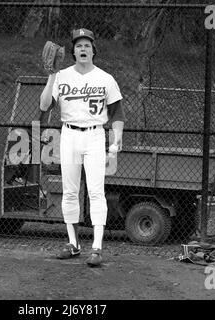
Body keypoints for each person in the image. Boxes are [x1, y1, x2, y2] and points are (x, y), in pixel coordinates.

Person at [39, 28, 126, 267]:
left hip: (95, 136)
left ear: (93, 50)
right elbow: (45, 105)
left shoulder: (105, 78)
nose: (83, 49)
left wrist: (116, 137)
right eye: (78, 45)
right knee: (69, 191)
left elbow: (117, 113)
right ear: (73, 51)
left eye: (87, 45)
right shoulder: (61, 76)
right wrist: (50, 75)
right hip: (69, 135)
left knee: (96, 192)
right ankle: (73, 244)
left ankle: (97, 247)